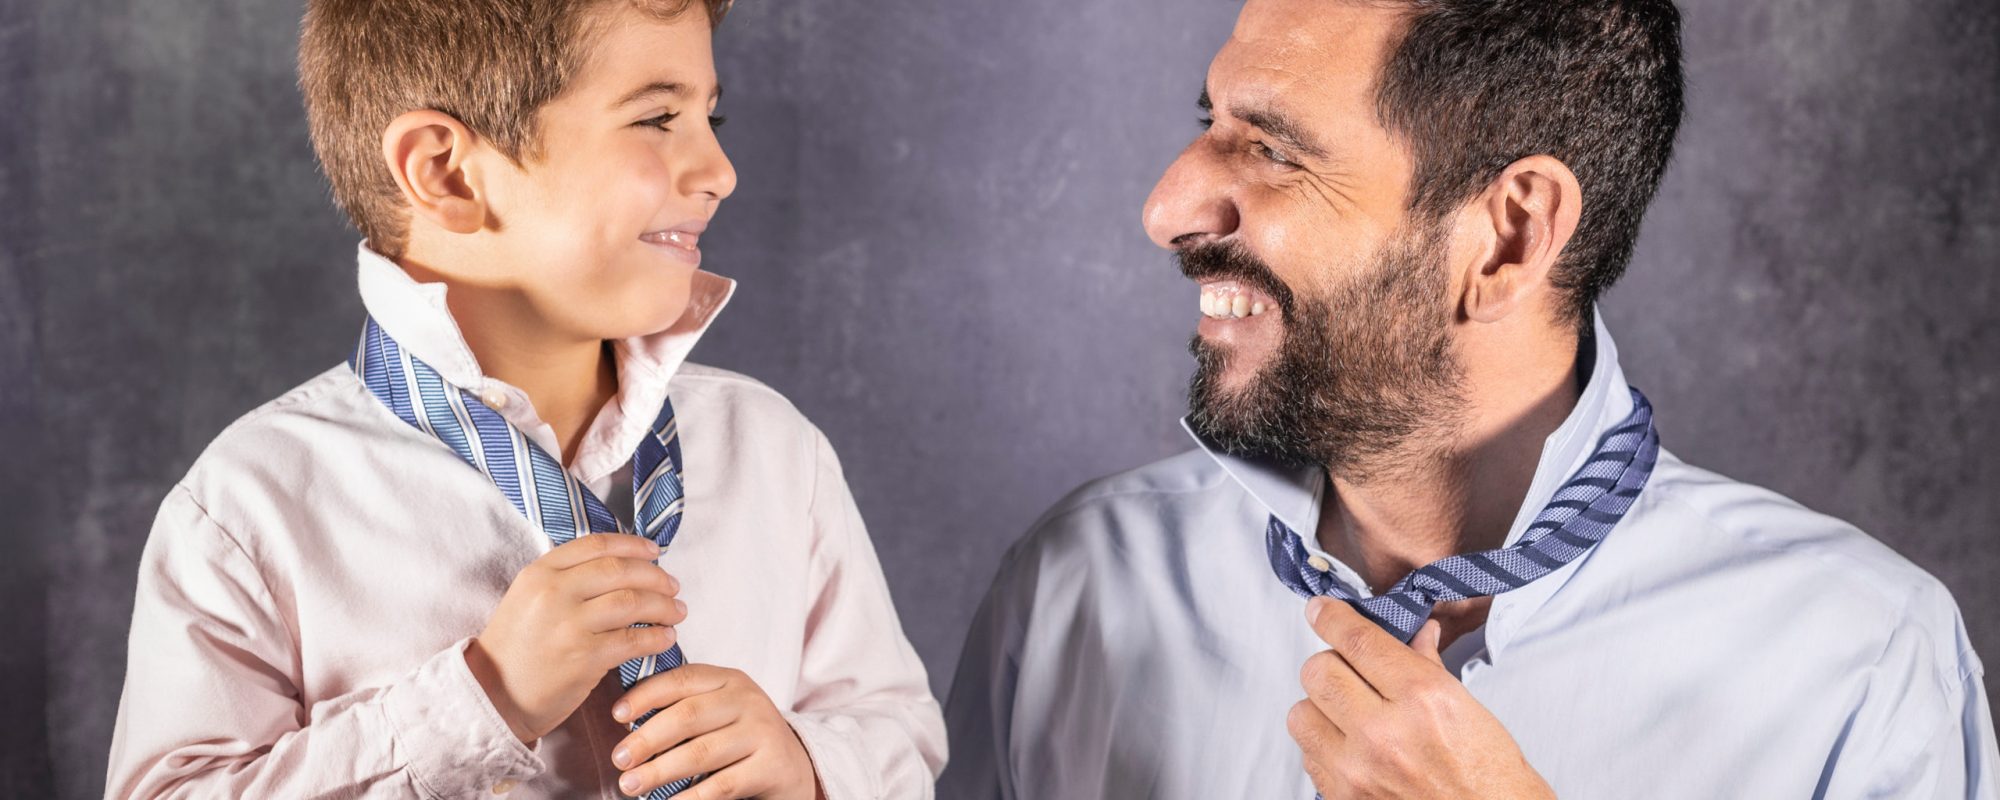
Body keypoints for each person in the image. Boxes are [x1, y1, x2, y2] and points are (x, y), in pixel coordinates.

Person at [941, 0, 1998, 797]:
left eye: (1271, 148)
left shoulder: (1856, 661)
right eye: (1207, 122)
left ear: (1508, 234)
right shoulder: (1077, 583)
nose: (1165, 206)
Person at [104, 1, 945, 797]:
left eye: (709, 119)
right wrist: (482, 703)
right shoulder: (251, 504)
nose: (719, 171)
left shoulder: (772, 449)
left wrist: (807, 764)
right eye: (659, 118)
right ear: (445, 172)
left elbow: (899, 734)